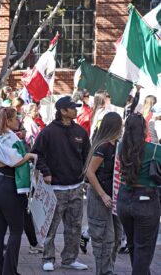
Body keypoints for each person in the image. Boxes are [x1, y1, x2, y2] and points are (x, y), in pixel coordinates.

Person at [32, 96, 90, 272]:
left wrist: (85, 178)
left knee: (75, 226)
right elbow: (36, 154)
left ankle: (69, 259)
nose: (76, 110)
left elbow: (87, 156)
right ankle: (47, 258)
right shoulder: (48, 132)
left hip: (76, 187)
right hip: (55, 188)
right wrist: (47, 172)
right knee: (51, 225)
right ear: (63, 111)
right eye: (72, 108)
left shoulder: (80, 132)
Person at [0, 107, 36, 275]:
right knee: (16, 231)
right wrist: (30, 156)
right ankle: (9, 271)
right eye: (16, 118)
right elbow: (14, 160)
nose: (19, 121)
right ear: (8, 121)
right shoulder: (9, 137)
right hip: (9, 185)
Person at [116, 113, 161, 275]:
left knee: (134, 245)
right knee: (144, 248)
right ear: (144, 129)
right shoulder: (155, 149)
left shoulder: (121, 147)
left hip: (124, 199)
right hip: (146, 199)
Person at [84, 112, 123, 275]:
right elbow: (89, 172)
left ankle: (109, 269)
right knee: (104, 239)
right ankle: (104, 272)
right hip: (100, 197)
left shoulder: (117, 145)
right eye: (120, 125)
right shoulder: (103, 146)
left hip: (113, 197)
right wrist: (103, 195)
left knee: (116, 237)